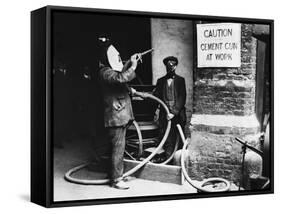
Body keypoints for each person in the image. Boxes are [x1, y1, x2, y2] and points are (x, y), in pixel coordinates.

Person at [97, 36, 147, 189]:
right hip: (115, 115)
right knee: (117, 147)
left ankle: (115, 173)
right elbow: (120, 78)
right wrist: (133, 66)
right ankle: (117, 179)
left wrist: (132, 90)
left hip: (120, 114)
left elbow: (121, 82)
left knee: (118, 147)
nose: (118, 59)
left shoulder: (110, 71)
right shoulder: (105, 72)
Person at [153, 56, 187, 160]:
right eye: (168, 66)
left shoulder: (181, 80)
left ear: (176, 66)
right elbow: (156, 98)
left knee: (178, 138)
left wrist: (174, 112)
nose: (170, 68)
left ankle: (179, 162)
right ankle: (168, 160)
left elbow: (182, 97)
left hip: (177, 116)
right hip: (165, 116)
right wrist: (155, 112)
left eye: (172, 66)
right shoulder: (160, 81)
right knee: (167, 138)